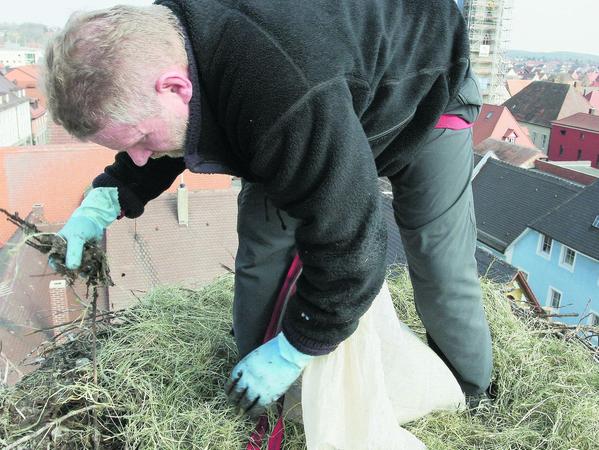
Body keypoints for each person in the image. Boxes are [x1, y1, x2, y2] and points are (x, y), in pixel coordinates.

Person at [44, 0, 493, 416]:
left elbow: (353, 245)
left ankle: (469, 394)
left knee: (439, 261)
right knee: (262, 250)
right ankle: (258, 393)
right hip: (322, 88)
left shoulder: (285, 95)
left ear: (175, 86)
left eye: (141, 141)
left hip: (423, 91)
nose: (140, 156)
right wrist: (114, 191)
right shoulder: (171, 36)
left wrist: (296, 347)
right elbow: (184, 118)